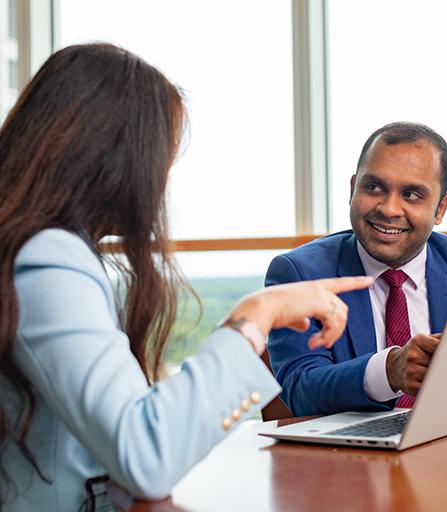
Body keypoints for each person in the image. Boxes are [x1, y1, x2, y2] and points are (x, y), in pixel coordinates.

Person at [0, 43, 373, 511]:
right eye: (160, 161)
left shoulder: (40, 248)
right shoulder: (49, 257)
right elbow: (148, 455)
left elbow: (123, 430)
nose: (158, 184)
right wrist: (257, 313)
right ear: (111, 156)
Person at [266, 121, 447, 416]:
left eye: (411, 195)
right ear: (352, 189)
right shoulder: (299, 273)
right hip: (350, 457)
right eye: (373, 187)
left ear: (441, 208)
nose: (389, 209)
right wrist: (390, 370)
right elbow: (301, 390)